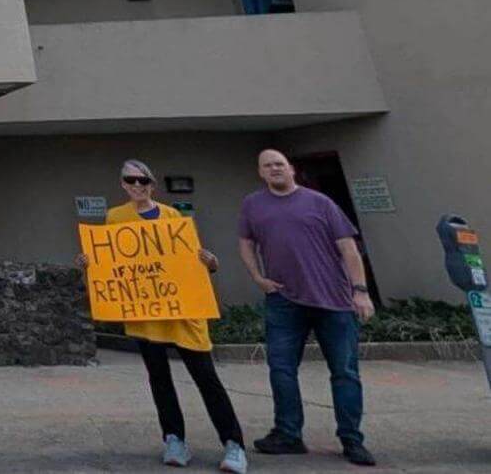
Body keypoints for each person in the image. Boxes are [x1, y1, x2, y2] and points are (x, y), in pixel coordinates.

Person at [82, 161, 246, 473]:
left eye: (142, 180)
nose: (137, 185)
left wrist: (210, 263)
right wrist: (91, 262)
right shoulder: (115, 217)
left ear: (152, 184)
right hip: (147, 313)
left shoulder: (173, 216)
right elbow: (114, 262)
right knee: (159, 379)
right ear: (123, 184)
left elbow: (192, 260)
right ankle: (174, 438)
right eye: (130, 180)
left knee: (206, 379)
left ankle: (233, 443)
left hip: (183, 312)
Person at [238, 149, 376, 467]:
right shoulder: (252, 205)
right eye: (267, 165)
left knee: (344, 373)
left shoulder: (320, 203)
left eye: (279, 164)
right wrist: (258, 277)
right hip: (284, 301)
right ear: (260, 172)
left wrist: (361, 291)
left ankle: (351, 440)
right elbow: (245, 242)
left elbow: (348, 248)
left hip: (334, 301)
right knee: (282, 370)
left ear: (291, 169)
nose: (274, 169)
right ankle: (288, 433)